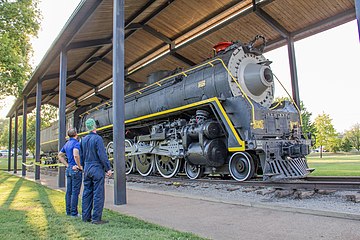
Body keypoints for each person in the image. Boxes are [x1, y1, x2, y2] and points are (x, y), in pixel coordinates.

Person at [80, 118, 112, 224]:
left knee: (86, 193)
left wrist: (84, 167)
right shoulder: (98, 139)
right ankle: (96, 218)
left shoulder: (83, 140)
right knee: (98, 194)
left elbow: (81, 156)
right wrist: (108, 169)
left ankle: (85, 217)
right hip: (97, 169)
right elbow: (102, 155)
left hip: (87, 169)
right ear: (94, 126)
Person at [58, 128, 82, 217]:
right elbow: (76, 155)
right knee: (75, 192)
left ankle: (68, 211)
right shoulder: (76, 143)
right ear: (76, 134)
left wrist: (67, 165)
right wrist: (79, 166)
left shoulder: (67, 144)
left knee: (69, 191)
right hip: (75, 169)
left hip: (69, 169)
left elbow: (59, 155)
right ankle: (74, 212)